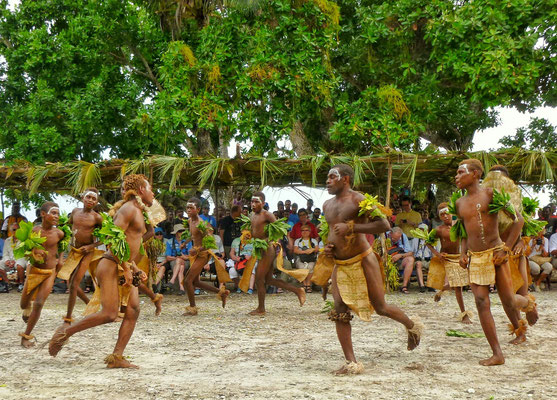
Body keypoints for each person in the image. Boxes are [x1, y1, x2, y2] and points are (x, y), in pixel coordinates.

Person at [322, 165, 422, 374]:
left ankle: (412, 326)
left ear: (346, 179)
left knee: (381, 307)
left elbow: (384, 225)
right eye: (328, 178)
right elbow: (332, 232)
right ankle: (352, 362)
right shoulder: (326, 205)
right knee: (339, 311)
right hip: (341, 264)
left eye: (333, 177)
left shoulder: (359, 200)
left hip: (363, 259)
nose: (328, 181)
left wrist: (353, 227)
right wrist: (329, 247)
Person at [48, 174, 153, 368]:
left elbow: (130, 243)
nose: (152, 193)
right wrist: (125, 267)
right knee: (109, 314)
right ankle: (65, 333)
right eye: (149, 189)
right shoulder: (128, 209)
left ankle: (117, 358)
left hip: (124, 265)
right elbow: (113, 240)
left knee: (133, 310)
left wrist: (134, 267)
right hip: (112, 265)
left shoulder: (139, 211)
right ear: (140, 191)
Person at [454, 159, 524, 366]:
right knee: (481, 301)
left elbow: (518, 220)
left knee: (509, 301)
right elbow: (464, 231)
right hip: (476, 257)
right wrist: (463, 252)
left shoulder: (491, 195)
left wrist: (506, 248)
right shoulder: (459, 203)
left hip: (496, 252)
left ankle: (528, 303)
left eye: (460, 172)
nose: (456, 177)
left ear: (475, 174)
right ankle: (497, 354)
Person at [244, 192, 305, 315]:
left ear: (263, 203)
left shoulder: (268, 215)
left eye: (256, 202)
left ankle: (261, 309)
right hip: (259, 249)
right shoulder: (251, 215)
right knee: (269, 279)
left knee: (259, 278)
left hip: (268, 249)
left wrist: (269, 241)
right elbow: (253, 231)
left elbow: (279, 231)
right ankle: (298, 291)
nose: (253, 204)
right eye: (252, 202)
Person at [19, 202, 65, 348]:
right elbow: (24, 250)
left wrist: (61, 259)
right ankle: (27, 308)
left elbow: (62, 245)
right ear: (43, 214)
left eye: (58, 213)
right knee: (23, 304)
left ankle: (26, 336)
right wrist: (33, 252)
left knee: (39, 303)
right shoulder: (33, 231)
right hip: (34, 271)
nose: (56, 216)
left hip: (50, 272)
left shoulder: (59, 233)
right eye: (54, 213)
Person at [57, 188, 103, 326]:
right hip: (74, 250)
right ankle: (89, 304)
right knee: (71, 283)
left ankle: (68, 318)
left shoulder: (97, 217)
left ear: (96, 202)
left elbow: (106, 238)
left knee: (74, 283)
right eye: (88, 197)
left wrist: (91, 246)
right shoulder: (75, 212)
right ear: (83, 197)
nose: (90, 200)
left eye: (93, 199)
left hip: (86, 252)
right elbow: (68, 225)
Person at [182, 198, 230, 316]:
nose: (188, 210)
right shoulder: (190, 221)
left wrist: (197, 249)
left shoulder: (202, 223)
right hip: (196, 254)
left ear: (197, 209)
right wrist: (185, 242)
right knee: (196, 282)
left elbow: (210, 243)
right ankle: (221, 293)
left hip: (203, 254)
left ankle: (193, 308)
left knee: (187, 281)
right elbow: (193, 235)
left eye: (191, 208)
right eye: (187, 207)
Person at [426, 203, 472, 324]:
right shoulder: (439, 230)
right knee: (457, 287)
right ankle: (464, 315)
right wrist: (437, 253)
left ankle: (442, 290)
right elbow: (428, 243)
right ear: (440, 217)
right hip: (446, 259)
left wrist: (465, 253)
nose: (445, 216)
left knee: (457, 285)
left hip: (459, 257)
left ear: (452, 213)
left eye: (447, 213)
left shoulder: (459, 226)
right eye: (442, 215)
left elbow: (465, 239)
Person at [0, 222, 27, 292]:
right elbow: (5, 253)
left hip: (20, 259)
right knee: (0, 264)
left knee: (19, 265)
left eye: (17, 229)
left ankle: (21, 283)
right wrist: (7, 260)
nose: (16, 231)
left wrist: (14, 261)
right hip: (9, 260)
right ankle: (7, 284)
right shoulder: (7, 240)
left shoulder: (24, 240)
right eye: (14, 229)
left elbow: (23, 254)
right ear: (11, 231)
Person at [387, 227, 415, 294]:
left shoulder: (403, 236)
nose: (394, 240)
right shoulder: (384, 236)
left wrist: (400, 255)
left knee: (410, 259)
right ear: (390, 234)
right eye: (393, 238)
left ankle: (404, 286)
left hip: (399, 260)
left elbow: (410, 252)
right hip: (387, 260)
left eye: (397, 239)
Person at [293, 226, 319, 292]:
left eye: (307, 230)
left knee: (310, 267)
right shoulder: (298, 241)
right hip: (301, 258)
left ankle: (308, 284)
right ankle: (305, 284)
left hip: (311, 259)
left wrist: (312, 249)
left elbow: (317, 249)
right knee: (301, 267)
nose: (304, 232)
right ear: (301, 232)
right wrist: (305, 252)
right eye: (303, 230)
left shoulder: (313, 240)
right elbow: (295, 250)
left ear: (310, 232)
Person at [165, 224, 189, 295]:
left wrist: (183, 257)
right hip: (174, 261)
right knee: (180, 267)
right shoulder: (169, 242)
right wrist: (177, 257)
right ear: (176, 233)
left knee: (179, 262)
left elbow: (191, 256)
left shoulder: (187, 241)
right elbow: (168, 257)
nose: (182, 233)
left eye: (183, 231)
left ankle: (172, 280)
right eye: (180, 231)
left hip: (186, 261)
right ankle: (182, 289)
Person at [410, 223, 431, 292]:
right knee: (418, 264)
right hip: (418, 259)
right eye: (421, 230)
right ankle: (422, 285)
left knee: (433, 264)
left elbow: (435, 252)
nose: (422, 231)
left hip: (427, 259)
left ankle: (431, 284)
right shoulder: (415, 240)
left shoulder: (430, 239)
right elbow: (412, 252)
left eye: (424, 230)